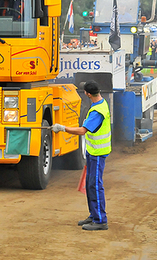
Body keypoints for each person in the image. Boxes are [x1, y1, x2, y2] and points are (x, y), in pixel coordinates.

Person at [51, 80, 111, 231]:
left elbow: (82, 131)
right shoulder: (100, 103)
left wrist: (62, 128)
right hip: (93, 152)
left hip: (97, 153)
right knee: (90, 185)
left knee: (95, 186)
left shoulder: (97, 111)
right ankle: (93, 216)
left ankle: (100, 220)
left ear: (87, 94)